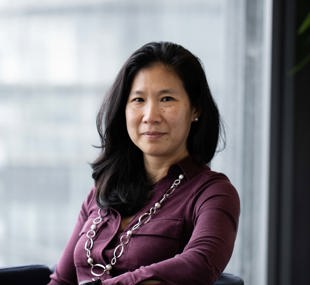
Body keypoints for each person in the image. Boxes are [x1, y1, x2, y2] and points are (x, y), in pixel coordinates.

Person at [48, 41, 240, 285]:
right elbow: (62, 280)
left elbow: (200, 265)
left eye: (167, 99)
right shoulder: (102, 190)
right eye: (138, 100)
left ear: (195, 109)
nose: (150, 116)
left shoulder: (213, 193)